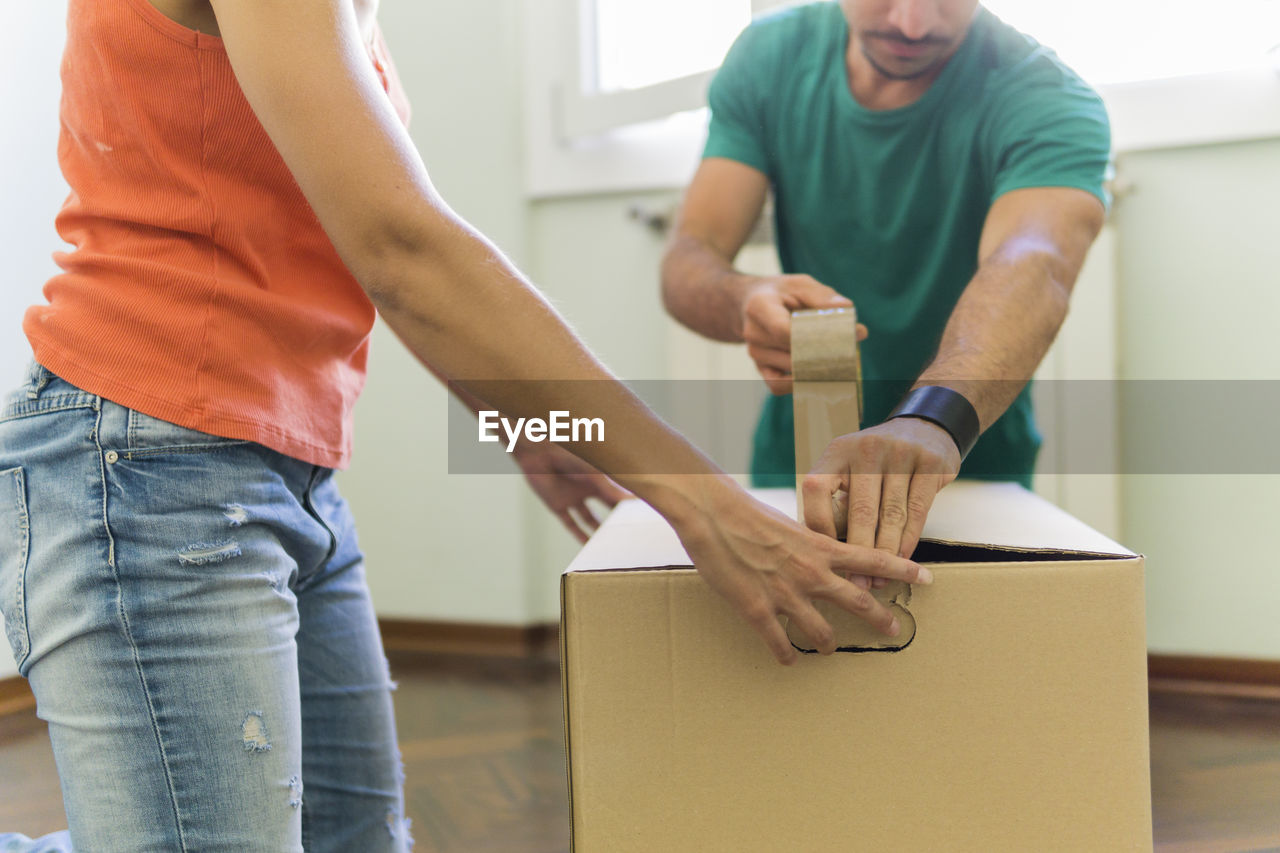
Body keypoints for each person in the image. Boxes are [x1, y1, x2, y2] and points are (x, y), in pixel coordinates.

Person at [0, 0, 931, 850]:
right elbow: (401, 243)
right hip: (144, 463)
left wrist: (526, 423)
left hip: (286, 468)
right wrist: (703, 500)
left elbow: (363, 242)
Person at [661, 0, 1111, 561]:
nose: (911, 24)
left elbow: (1035, 262)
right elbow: (691, 257)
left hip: (966, 460)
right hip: (799, 460)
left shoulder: (1048, 98)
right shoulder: (769, 56)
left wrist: (932, 420)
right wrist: (741, 299)